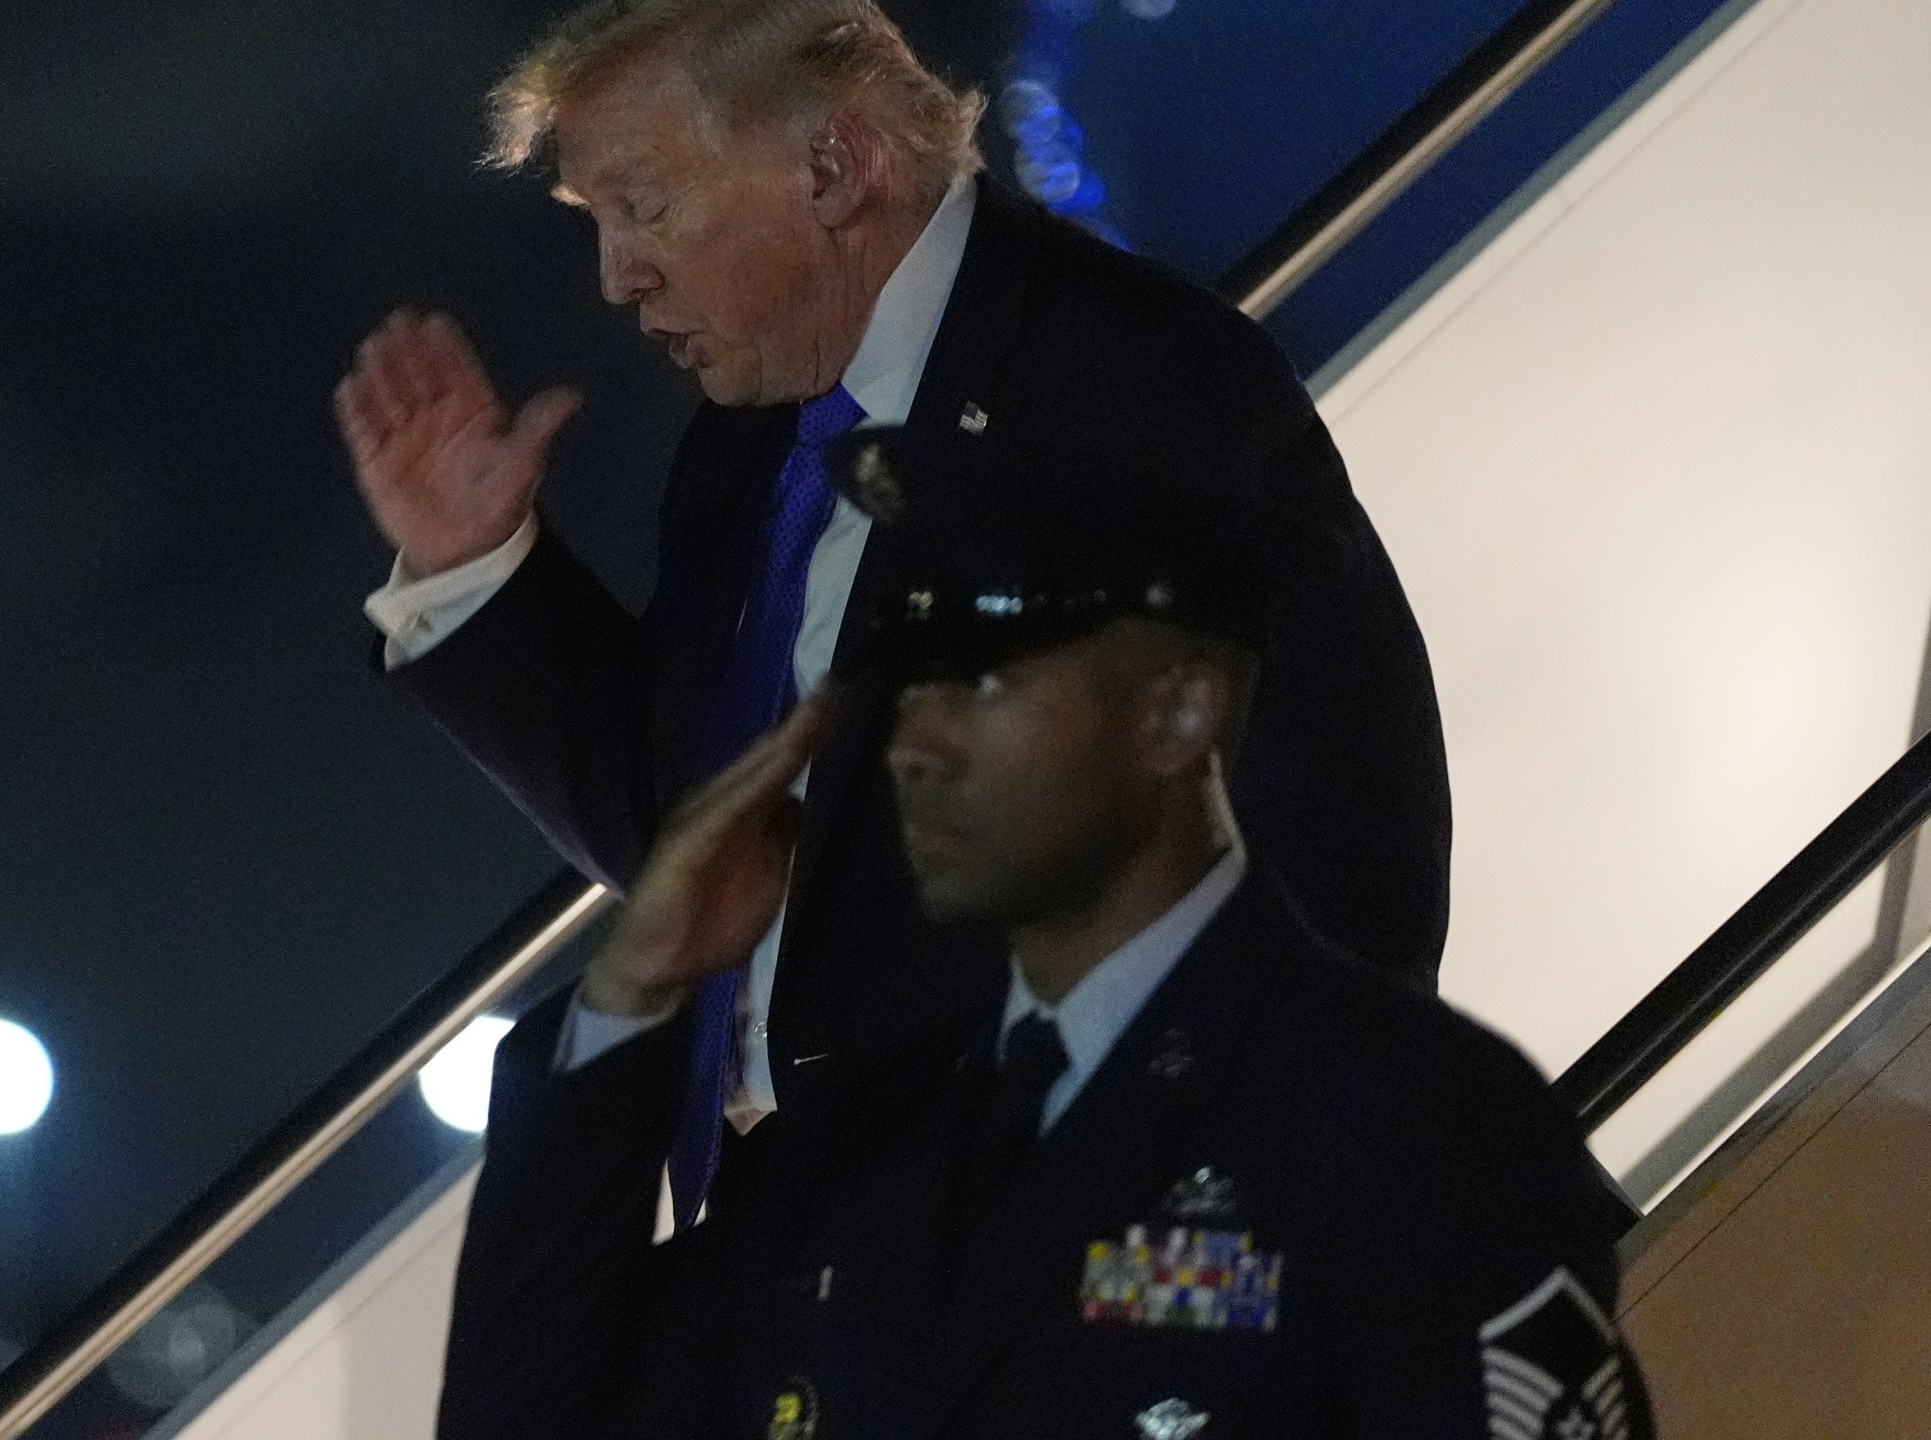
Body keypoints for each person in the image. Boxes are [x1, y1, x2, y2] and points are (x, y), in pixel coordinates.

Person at [337, 0, 1448, 1243]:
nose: (616, 276)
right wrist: (474, 568)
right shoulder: (741, 453)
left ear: (833, 166)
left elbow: (1343, 844)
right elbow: (701, 842)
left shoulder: (1134, 383)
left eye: (642, 208)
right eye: (593, 222)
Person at [443, 426, 1651, 1440]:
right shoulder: (863, 1143)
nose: (916, 746)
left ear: (1176, 716)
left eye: (984, 684)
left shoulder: (1408, 1124)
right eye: (911, 687)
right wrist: (633, 996)